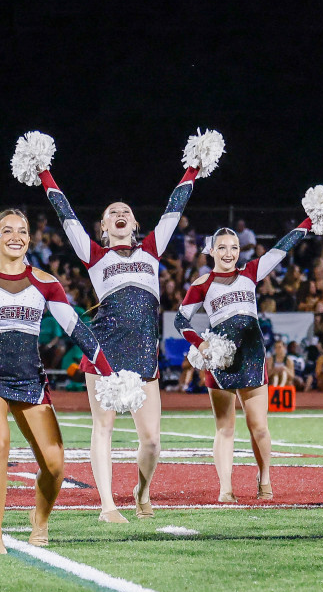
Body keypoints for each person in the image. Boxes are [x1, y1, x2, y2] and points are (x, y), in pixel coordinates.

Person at [0, 210, 119, 554]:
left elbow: (76, 328)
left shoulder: (46, 282)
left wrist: (109, 371)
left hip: (30, 380)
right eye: (7, 230)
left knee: (55, 464)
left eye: (23, 231)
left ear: (29, 239)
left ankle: (39, 520)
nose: (16, 236)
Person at [37, 157, 201, 521]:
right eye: (112, 212)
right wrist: (42, 171)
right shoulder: (95, 255)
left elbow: (175, 208)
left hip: (144, 353)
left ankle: (141, 490)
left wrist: (195, 167)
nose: (119, 214)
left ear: (135, 224)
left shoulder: (150, 251)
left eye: (125, 211)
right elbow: (65, 213)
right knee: (104, 426)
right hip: (104, 350)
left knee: (153, 441)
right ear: (104, 227)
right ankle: (107, 505)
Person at [176, 216, 315, 502]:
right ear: (211, 251)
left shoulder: (251, 272)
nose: (229, 253)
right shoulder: (203, 283)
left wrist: (311, 220)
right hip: (220, 359)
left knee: (259, 426)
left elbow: (281, 248)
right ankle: (225, 487)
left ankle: (264, 476)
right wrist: (201, 344)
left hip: (251, 354)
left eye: (234, 247)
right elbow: (181, 319)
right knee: (225, 427)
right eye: (222, 248)